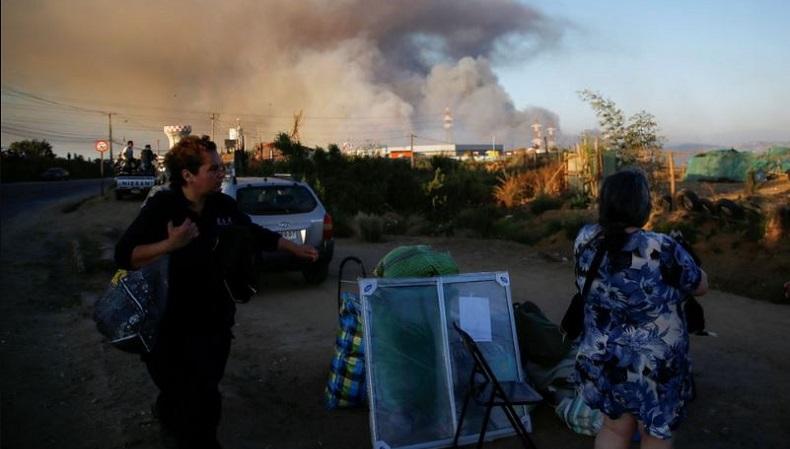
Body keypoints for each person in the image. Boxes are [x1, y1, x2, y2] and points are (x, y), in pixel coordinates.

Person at [114, 135, 317, 449]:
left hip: (214, 319)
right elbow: (125, 254)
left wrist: (294, 248)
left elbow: (253, 232)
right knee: (185, 393)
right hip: (168, 323)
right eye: (214, 169)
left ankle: (187, 428)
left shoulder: (223, 205)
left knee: (205, 389)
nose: (222, 173)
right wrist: (170, 244)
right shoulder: (163, 206)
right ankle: (186, 429)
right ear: (188, 175)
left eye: (222, 167)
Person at [572, 168, 708, 449]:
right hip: (654, 364)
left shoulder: (585, 239)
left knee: (614, 429)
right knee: (655, 433)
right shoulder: (662, 247)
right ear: (642, 205)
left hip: (603, 356)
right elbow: (700, 285)